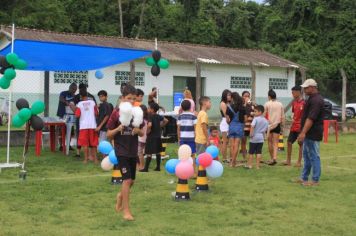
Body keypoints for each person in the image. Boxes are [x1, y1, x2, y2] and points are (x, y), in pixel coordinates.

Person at [106, 84, 144, 221]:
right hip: (121, 151)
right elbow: (108, 134)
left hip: (133, 152)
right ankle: (126, 211)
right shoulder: (116, 112)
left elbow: (143, 131)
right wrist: (117, 129)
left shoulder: (137, 112)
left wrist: (137, 131)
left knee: (131, 181)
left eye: (134, 99)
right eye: (128, 98)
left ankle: (121, 195)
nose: (131, 101)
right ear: (122, 98)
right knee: (127, 180)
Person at [296, 79, 324, 186]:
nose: (304, 89)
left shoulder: (316, 100)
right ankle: (304, 178)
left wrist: (303, 133)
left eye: (306, 87)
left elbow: (311, 118)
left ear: (312, 87)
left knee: (314, 156)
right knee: (306, 156)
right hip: (308, 133)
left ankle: (315, 180)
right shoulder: (311, 99)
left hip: (313, 133)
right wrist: (303, 132)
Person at [140, 102, 168, 172]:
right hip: (158, 136)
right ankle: (158, 167)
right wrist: (160, 126)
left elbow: (149, 125)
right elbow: (166, 120)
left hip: (151, 137)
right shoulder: (158, 116)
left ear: (152, 110)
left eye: (149, 108)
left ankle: (146, 168)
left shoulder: (150, 115)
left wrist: (148, 131)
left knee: (149, 152)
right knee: (158, 152)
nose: (148, 109)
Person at [72, 90, 98, 164]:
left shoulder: (79, 104)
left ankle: (86, 160)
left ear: (80, 96)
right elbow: (96, 113)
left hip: (83, 126)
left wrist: (75, 109)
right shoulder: (93, 103)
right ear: (87, 95)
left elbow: (77, 115)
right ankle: (95, 160)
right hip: (92, 125)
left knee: (85, 144)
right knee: (93, 143)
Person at [284, 85, 305, 167]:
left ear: (298, 92)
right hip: (294, 126)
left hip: (301, 127)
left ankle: (299, 162)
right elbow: (294, 113)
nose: (292, 94)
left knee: (301, 144)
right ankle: (288, 161)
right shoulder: (294, 103)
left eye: (293, 92)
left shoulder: (304, 103)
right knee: (289, 142)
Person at [264, 89, 285, 165]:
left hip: (268, 125)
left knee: (269, 142)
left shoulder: (267, 104)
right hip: (277, 124)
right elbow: (283, 116)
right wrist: (283, 126)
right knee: (276, 143)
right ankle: (274, 158)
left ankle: (271, 158)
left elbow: (264, 115)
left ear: (269, 96)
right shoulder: (280, 104)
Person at [226, 92, 246, 167]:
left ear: (232, 98)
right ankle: (233, 162)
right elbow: (245, 119)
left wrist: (230, 124)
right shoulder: (242, 107)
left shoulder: (229, 107)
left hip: (231, 126)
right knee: (236, 145)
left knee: (232, 145)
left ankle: (232, 161)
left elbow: (227, 120)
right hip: (239, 127)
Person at [246, 105, 269, 169]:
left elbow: (252, 126)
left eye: (255, 111)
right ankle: (257, 166)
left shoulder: (255, 119)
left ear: (260, 112)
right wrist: (265, 137)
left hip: (254, 137)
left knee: (251, 152)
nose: (254, 113)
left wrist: (251, 134)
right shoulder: (265, 120)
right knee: (259, 152)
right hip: (261, 137)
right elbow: (266, 130)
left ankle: (250, 165)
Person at [56, 83, 77, 153]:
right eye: (73, 89)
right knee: (61, 130)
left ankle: (68, 145)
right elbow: (61, 99)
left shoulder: (75, 96)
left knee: (71, 130)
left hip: (71, 115)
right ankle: (61, 145)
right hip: (62, 114)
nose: (74, 90)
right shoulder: (63, 93)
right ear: (70, 88)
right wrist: (67, 103)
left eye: (75, 89)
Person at [177, 100, 197, 171]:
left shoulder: (180, 117)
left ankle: (182, 171)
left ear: (181, 107)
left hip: (182, 139)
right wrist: (196, 138)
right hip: (191, 139)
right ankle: (193, 171)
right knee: (192, 155)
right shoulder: (193, 116)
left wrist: (179, 139)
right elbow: (195, 128)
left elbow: (178, 129)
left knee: (182, 155)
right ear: (190, 107)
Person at [241, 91, 255, 160]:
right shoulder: (241, 105)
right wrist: (246, 104)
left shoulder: (253, 104)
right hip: (243, 126)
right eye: (245, 96)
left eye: (248, 96)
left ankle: (251, 156)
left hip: (251, 126)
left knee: (252, 141)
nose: (246, 97)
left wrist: (249, 104)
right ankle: (244, 156)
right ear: (242, 97)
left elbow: (256, 112)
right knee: (243, 141)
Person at [219, 90, 232, 163]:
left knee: (230, 142)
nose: (229, 96)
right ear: (224, 96)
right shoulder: (223, 103)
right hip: (225, 122)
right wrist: (230, 122)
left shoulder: (230, 103)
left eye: (230, 95)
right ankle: (224, 158)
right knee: (225, 142)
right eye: (228, 95)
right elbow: (226, 115)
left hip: (230, 121)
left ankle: (230, 158)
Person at [138, 105, 148, 170]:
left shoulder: (141, 120)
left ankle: (142, 166)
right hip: (144, 138)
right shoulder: (146, 120)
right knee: (141, 153)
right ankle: (141, 165)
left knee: (140, 153)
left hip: (141, 138)